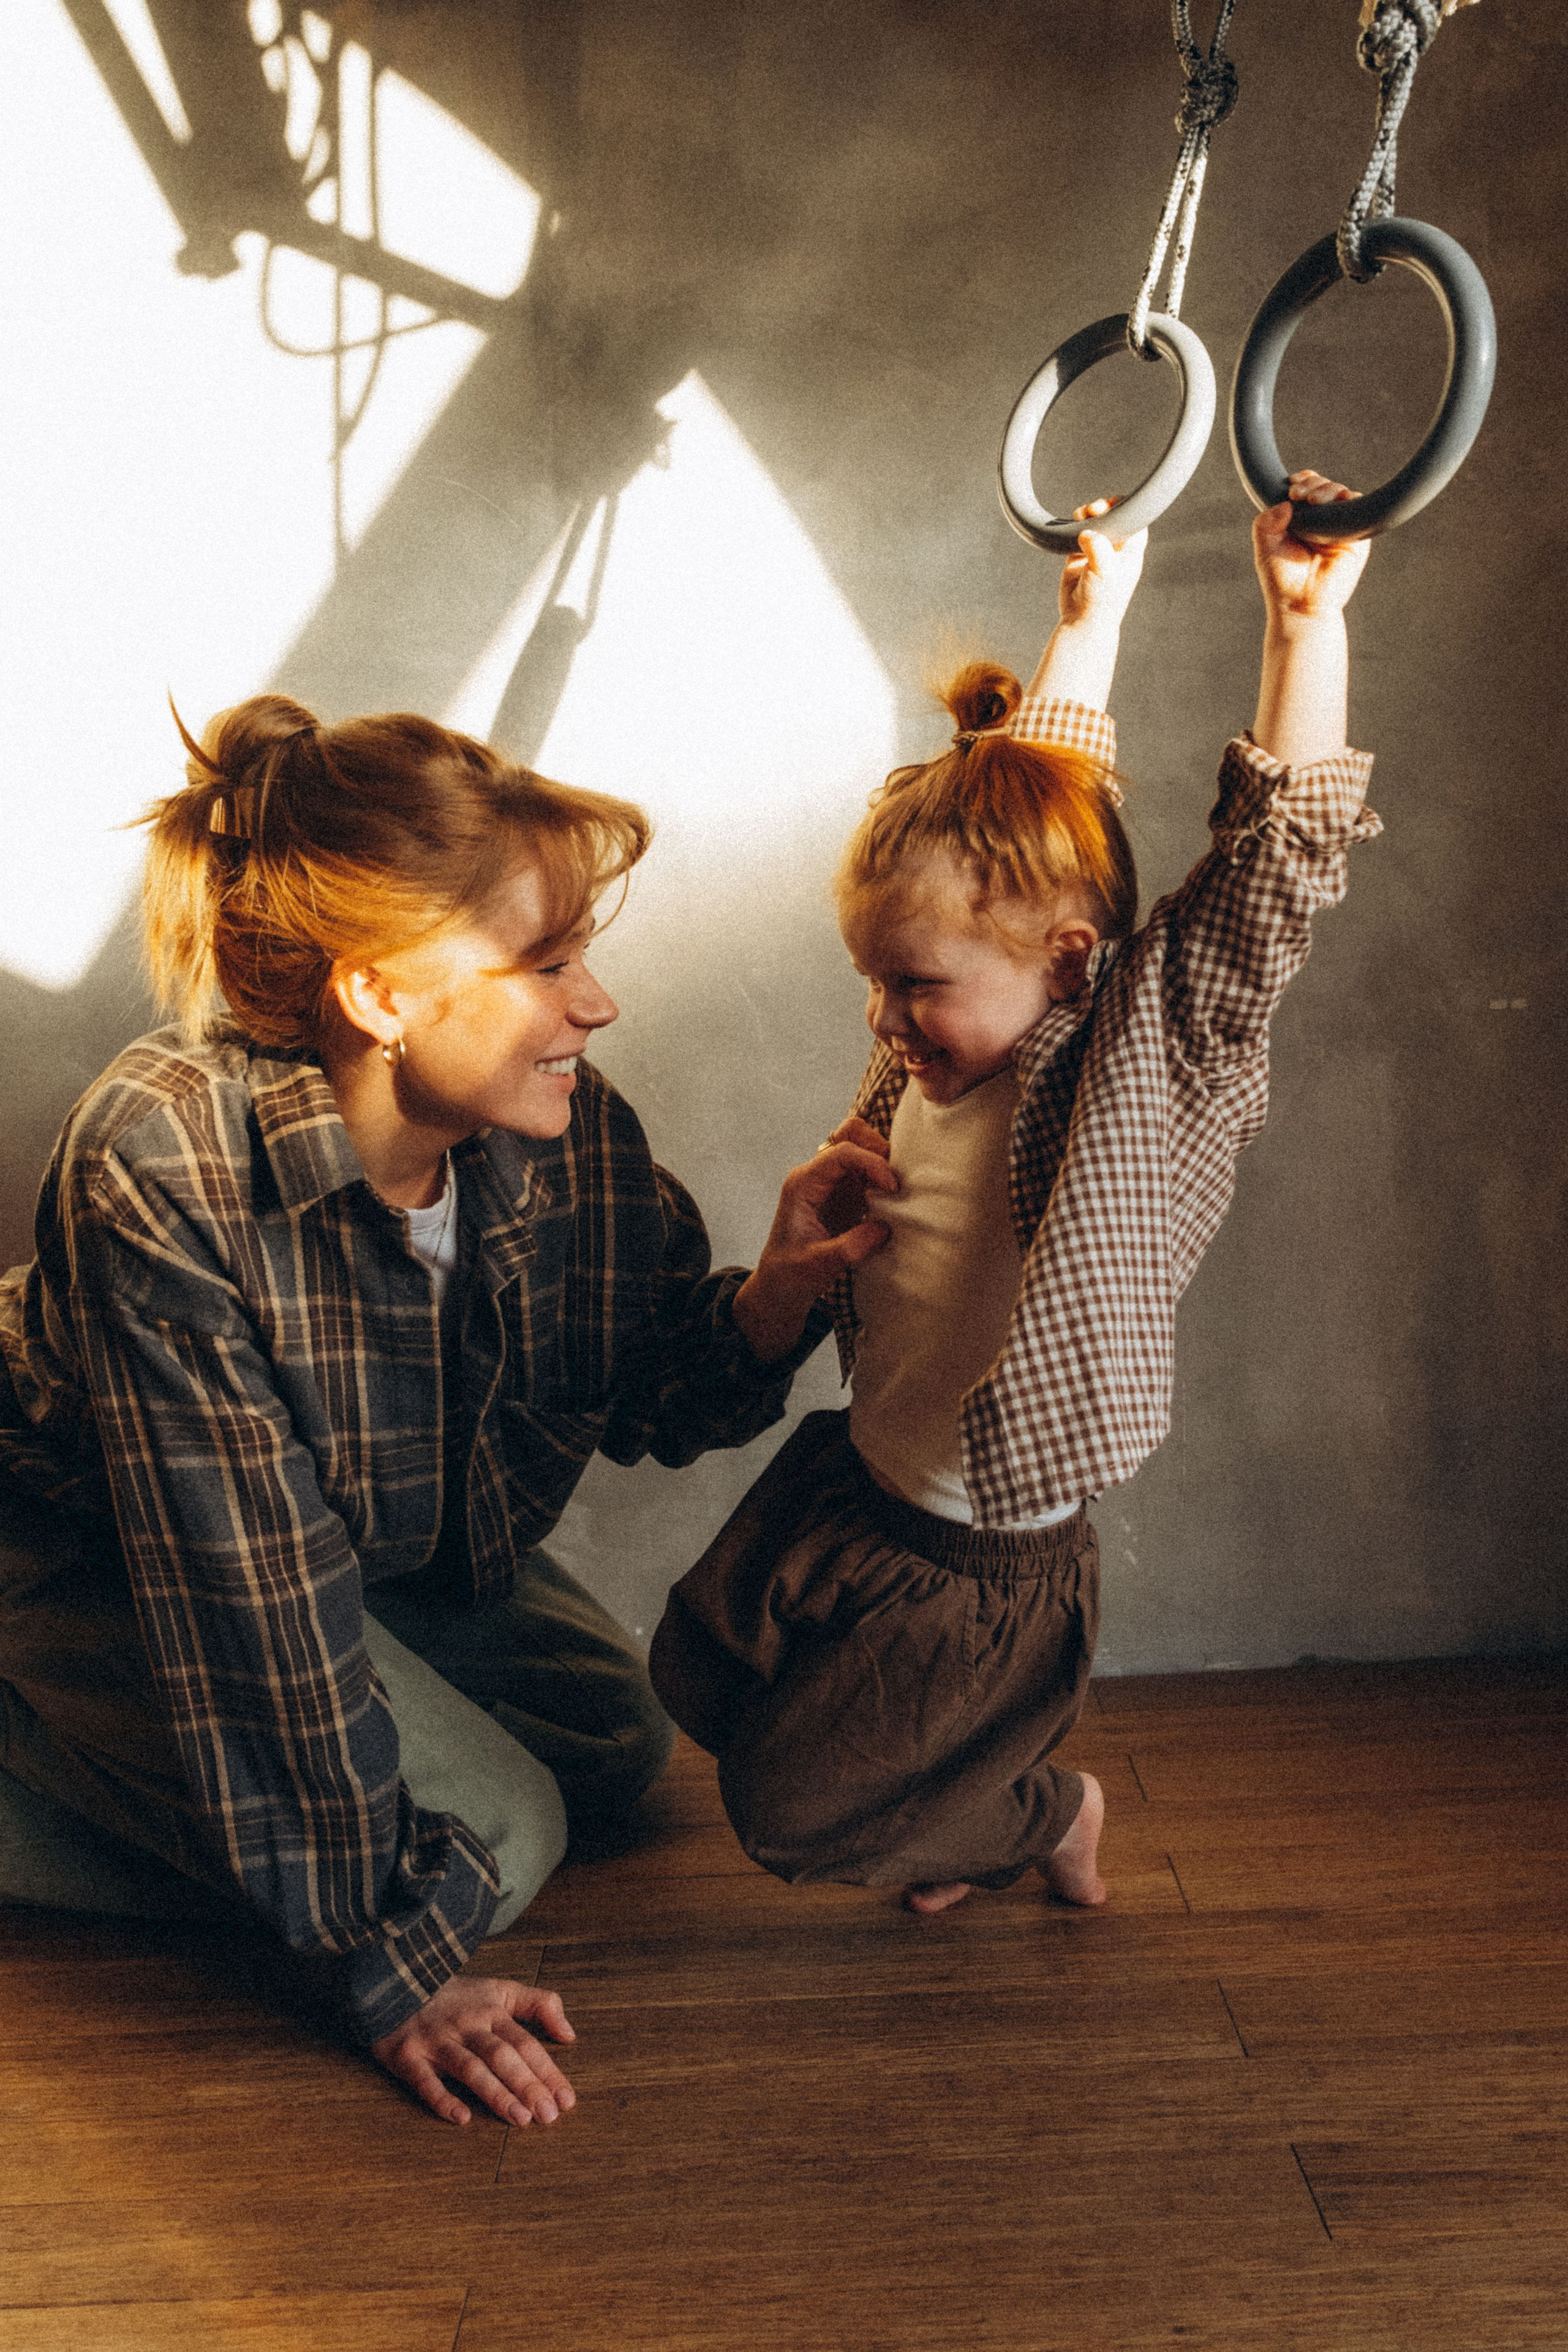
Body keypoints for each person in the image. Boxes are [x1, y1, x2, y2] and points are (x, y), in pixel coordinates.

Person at [0, 699, 894, 2125]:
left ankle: (266, 1828)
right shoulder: (162, 1158)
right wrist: (382, 1959)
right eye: (545, 964)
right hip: (84, 1548)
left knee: (612, 1747)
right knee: (494, 1831)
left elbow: (652, 1378)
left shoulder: (558, 1120)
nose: (591, 1004)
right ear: (379, 996)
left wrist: (775, 1292)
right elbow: (250, 1594)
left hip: (367, 1555)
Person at [649, 474, 1378, 1913]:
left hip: (976, 1563)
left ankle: (1044, 1811)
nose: (885, 1019)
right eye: (872, 980)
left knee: (795, 1817)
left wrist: (1303, 632)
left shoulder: (1133, 1064)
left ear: (1060, 959)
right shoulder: (925, 1057)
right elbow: (1032, 799)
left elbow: (1267, 878)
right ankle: (955, 1796)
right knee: (696, 1675)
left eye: (911, 986)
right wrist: (1087, 618)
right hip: (853, 1483)